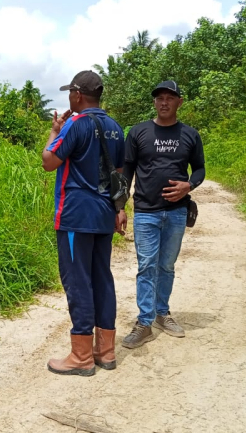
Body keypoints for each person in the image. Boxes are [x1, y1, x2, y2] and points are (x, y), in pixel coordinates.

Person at [41, 70, 126, 376]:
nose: (69, 98)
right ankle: (105, 351)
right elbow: (119, 172)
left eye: (70, 93)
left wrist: (54, 132)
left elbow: (49, 161)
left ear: (77, 95)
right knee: (101, 278)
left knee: (78, 282)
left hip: (76, 215)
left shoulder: (76, 124)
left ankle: (80, 357)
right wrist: (120, 208)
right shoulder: (115, 127)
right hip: (104, 216)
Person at [119, 80, 205, 349]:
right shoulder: (138, 132)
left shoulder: (190, 135)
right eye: (160, 98)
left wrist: (189, 185)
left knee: (166, 266)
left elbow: (200, 169)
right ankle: (144, 322)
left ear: (179, 102)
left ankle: (162, 314)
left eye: (170, 97)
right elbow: (126, 171)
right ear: (154, 102)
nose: (164, 102)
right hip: (145, 212)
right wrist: (119, 207)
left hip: (177, 213)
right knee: (146, 266)